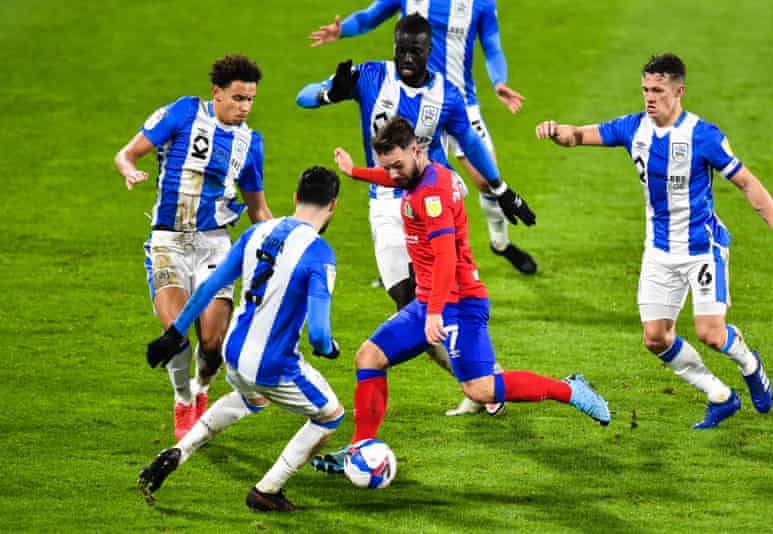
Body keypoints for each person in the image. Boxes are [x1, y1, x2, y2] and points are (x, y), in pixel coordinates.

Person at [535, 54, 773, 429]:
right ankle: (720, 396)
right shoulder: (633, 128)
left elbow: (747, 183)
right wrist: (555, 130)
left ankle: (751, 365)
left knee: (710, 333)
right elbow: (577, 136)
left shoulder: (703, 136)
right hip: (659, 251)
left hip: (702, 248)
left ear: (679, 91)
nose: (649, 97)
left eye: (658, 90)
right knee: (655, 338)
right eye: (645, 89)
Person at [311, 116, 610, 475]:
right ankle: (361, 448)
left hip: (459, 303)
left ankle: (570, 390)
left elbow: (446, 257)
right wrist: (356, 172)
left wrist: (434, 312)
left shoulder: (432, 195)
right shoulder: (421, 173)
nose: (392, 175)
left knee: (480, 389)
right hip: (430, 301)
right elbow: (396, 178)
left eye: (397, 166)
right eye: (386, 167)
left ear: (416, 150)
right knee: (369, 358)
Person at [297, 14, 535, 417]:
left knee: (442, 297)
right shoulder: (371, 76)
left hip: (432, 198)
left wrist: (501, 189)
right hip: (384, 202)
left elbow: (471, 143)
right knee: (408, 305)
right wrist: (327, 92)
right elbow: (301, 97)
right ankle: (483, 381)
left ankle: (483, 384)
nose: (407, 57)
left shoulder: (446, 95)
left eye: (416, 51)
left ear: (429, 51)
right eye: (401, 49)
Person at [137, 166, 345, 513]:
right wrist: (330, 349)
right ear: (333, 205)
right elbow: (320, 335)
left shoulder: (258, 232)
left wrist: (175, 333)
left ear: (295, 197)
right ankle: (268, 490)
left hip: (232, 352)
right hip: (272, 364)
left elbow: (210, 285)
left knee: (253, 399)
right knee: (330, 415)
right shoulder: (320, 253)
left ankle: (179, 450)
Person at [308, 0, 538, 276]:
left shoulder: (481, 3)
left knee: (486, 182)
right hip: (408, 100)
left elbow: (492, 45)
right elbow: (371, 16)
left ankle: (500, 244)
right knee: (409, 173)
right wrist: (342, 29)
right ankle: (405, 257)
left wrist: (499, 80)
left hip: (457, 102)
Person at [114, 54, 274, 440]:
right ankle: (183, 397)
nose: (245, 107)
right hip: (168, 241)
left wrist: (283, 243)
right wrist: (129, 170)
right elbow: (127, 153)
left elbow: (258, 209)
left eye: (250, 100)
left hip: (215, 246)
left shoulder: (250, 143)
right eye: (238, 98)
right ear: (216, 92)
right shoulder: (184, 113)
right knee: (176, 331)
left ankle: (202, 387)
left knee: (213, 343)